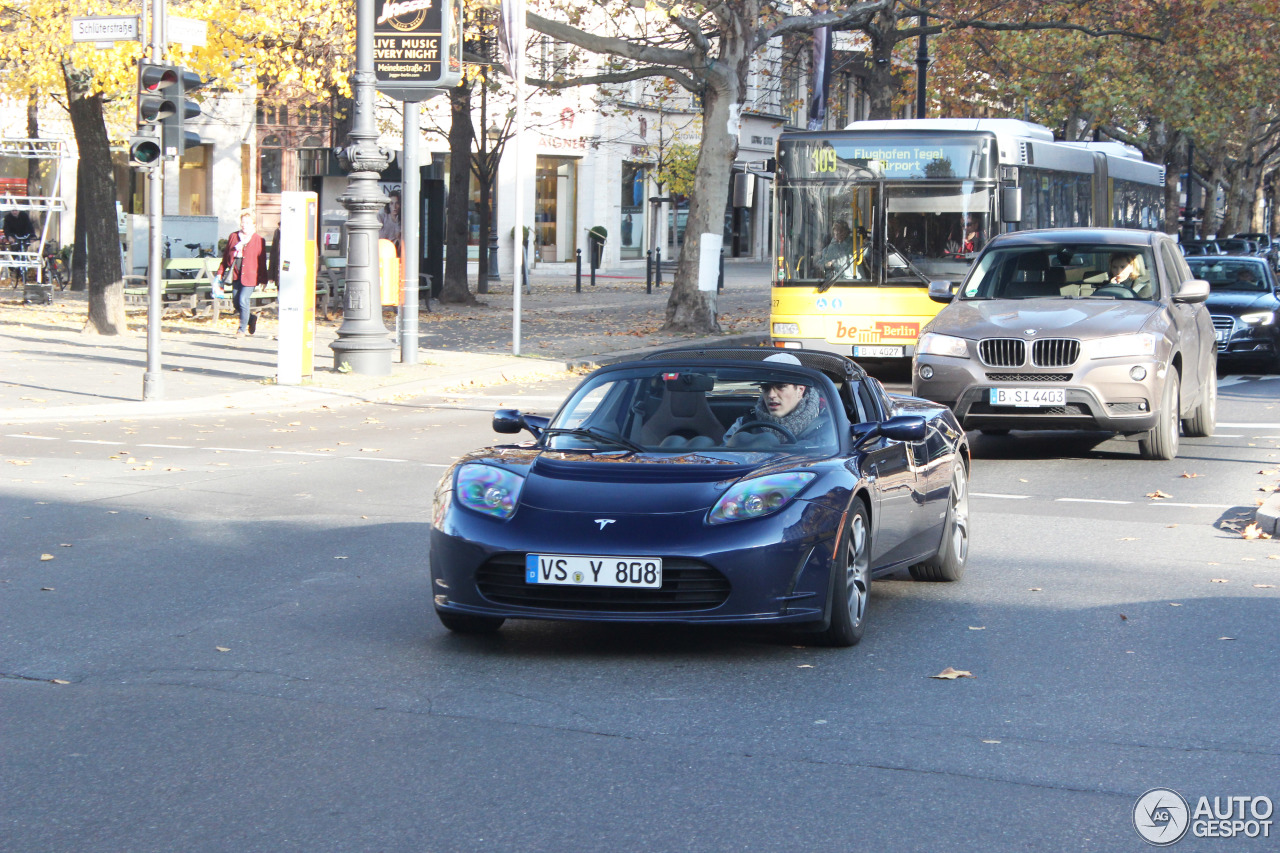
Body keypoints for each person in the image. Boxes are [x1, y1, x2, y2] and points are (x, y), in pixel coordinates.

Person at [724, 353, 832, 445]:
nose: (771, 395)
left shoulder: (830, 425)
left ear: (800, 390)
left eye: (781, 387)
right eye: (766, 388)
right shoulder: (744, 423)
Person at [216, 209, 268, 337]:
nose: (244, 225)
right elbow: (225, 257)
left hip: (250, 275)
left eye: (248, 223)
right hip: (236, 273)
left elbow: (261, 261)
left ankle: (241, 329)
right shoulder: (233, 237)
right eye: (243, 222)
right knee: (236, 302)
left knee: (243, 300)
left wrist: (263, 280)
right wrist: (220, 273)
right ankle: (251, 318)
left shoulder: (258, 240)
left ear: (253, 225)